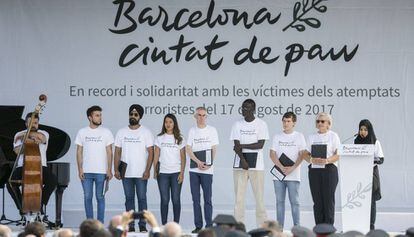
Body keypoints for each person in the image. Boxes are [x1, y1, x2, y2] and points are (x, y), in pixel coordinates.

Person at [7, 112, 57, 218]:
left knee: (52, 180)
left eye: (35, 123)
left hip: (41, 166)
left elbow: (42, 138)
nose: (33, 125)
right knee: (10, 184)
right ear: (26, 123)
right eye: (31, 123)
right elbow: (17, 151)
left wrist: (24, 136)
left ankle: (40, 204)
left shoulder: (44, 133)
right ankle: (22, 207)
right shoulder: (18, 134)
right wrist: (28, 143)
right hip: (22, 166)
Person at [114, 104, 154, 232]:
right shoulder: (121, 132)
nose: (133, 116)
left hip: (141, 172)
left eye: (136, 114)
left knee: (142, 199)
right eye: (131, 114)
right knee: (129, 199)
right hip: (126, 173)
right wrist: (115, 169)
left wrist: (148, 170)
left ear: (140, 117)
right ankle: (130, 226)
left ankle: (142, 225)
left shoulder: (146, 132)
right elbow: (117, 152)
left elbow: (151, 152)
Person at [230, 99, 269, 226]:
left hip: (257, 166)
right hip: (240, 164)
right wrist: (243, 160)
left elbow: (260, 144)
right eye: (242, 107)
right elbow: (236, 146)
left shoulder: (261, 124)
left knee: (259, 199)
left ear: (253, 109)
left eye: (247, 108)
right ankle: (238, 227)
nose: (243, 110)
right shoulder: (237, 125)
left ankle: (262, 226)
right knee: (239, 198)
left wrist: (243, 145)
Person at [75, 105, 114, 223]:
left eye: (100, 115)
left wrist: (109, 169)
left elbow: (109, 152)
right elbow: (79, 152)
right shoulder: (82, 132)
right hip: (86, 171)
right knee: (87, 197)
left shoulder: (106, 132)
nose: (100, 117)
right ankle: (90, 223)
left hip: (101, 172)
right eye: (97, 115)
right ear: (90, 117)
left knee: (100, 197)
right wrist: (80, 169)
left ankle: (100, 223)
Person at [269, 112, 306, 229]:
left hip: (293, 175)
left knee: (294, 202)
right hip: (278, 176)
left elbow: (302, 154)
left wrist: (293, 168)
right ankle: (279, 229)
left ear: (294, 123)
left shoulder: (299, 136)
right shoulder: (277, 136)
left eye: (288, 121)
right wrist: (280, 166)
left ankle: (297, 228)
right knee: (279, 203)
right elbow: (272, 154)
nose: (285, 123)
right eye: (284, 121)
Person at [186, 107, 219, 233]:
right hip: (194, 170)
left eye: (204, 115)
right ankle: (198, 226)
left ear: (207, 116)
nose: (201, 117)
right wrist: (198, 162)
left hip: (207, 170)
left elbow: (214, 148)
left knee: (207, 199)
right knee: (195, 199)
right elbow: (188, 149)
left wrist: (210, 163)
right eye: (199, 115)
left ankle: (209, 225)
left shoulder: (212, 130)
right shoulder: (192, 131)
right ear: (195, 116)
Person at [303, 113, 340, 225]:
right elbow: (305, 154)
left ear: (329, 123)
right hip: (314, 170)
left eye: (322, 121)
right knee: (317, 200)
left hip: (329, 170)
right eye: (318, 121)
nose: (320, 123)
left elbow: (338, 154)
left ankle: (328, 228)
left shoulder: (333, 136)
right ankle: (319, 228)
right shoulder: (311, 137)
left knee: (328, 200)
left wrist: (327, 160)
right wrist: (311, 160)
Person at [153, 113, 186, 224]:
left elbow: (183, 157)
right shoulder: (159, 138)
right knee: (164, 200)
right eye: (166, 122)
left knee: (176, 200)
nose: (168, 124)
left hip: (176, 173)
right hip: (163, 174)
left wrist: (182, 173)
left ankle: (176, 224)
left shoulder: (180, 138)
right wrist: (155, 170)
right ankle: (164, 224)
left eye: (170, 122)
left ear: (174, 123)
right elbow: (156, 155)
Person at [354, 119, 384, 230]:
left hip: (371, 174)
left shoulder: (375, 141)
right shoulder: (356, 141)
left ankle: (371, 226)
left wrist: (370, 160)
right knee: (359, 200)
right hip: (359, 174)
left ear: (369, 130)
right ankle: (360, 224)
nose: (362, 132)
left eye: (365, 130)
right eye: (361, 129)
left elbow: (381, 159)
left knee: (371, 201)